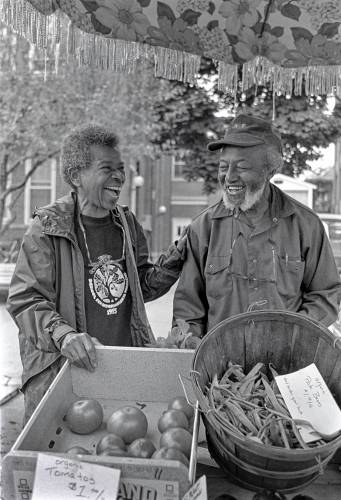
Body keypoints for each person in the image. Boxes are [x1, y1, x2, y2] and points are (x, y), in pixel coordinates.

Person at [7, 124, 186, 423]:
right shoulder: (47, 227)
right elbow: (26, 300)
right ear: (76, 176)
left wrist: (177, 256)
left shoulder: (127, 223)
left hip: (119, 371)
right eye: (107, 168)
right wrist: (64, 335)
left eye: (121, 168)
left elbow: (140, 284)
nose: (120, 176)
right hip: (62, 374)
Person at [173, 113, 341, 338]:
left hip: (287, 364)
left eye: (241, 167)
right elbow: (188, 311)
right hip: (219, 368)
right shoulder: (203, 228)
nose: (229, 177)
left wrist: (294, 335)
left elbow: (326, 294)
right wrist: (191, 348)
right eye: (224, 167)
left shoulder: (305, 225)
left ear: (269, 171)